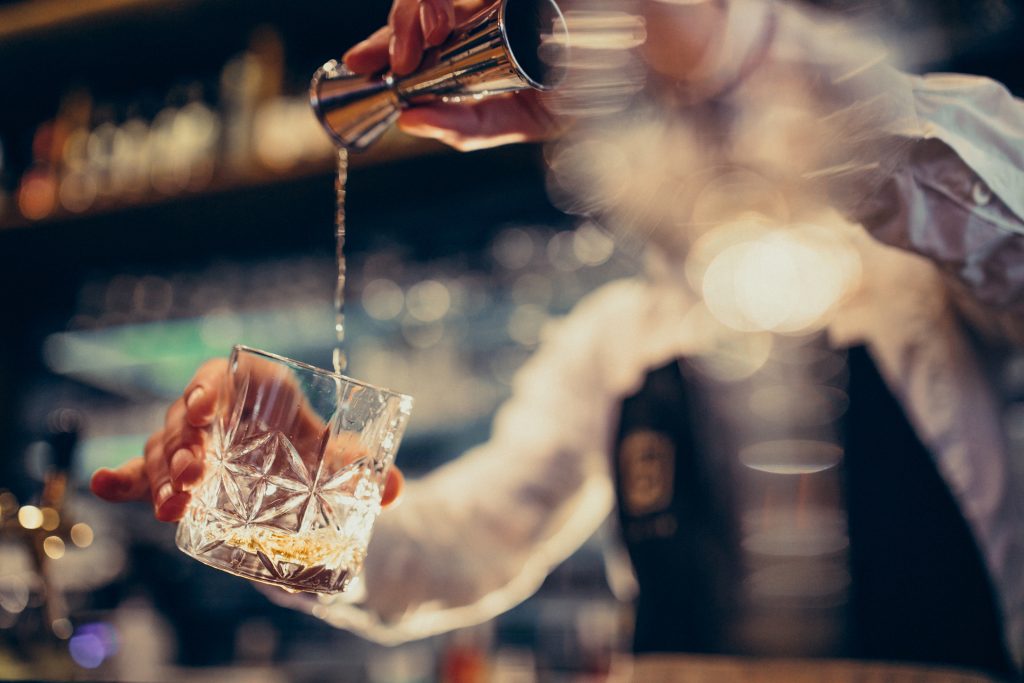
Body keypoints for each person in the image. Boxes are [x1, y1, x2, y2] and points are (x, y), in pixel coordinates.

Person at [91, 0, 1024, 678]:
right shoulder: (617, 340)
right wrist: (283, 506)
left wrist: (722, 48)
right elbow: (455, 550)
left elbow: (994, 197)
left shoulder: (940, 286)